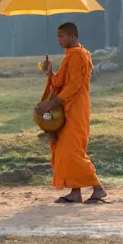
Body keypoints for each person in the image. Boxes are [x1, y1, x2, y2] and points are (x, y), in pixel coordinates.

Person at [35, 23, 107, 204]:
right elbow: (61, 81)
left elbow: (74, 86)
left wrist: (51, 103)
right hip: (66, 109)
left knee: (72, 151)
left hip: (76, 108)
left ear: (72, 37)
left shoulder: (79, 56)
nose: (59, 40)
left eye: (62, 36)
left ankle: (98, 188)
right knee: (64, 150)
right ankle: (75, 193)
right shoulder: (71, 55)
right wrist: (50, 73)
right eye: (57, 36)